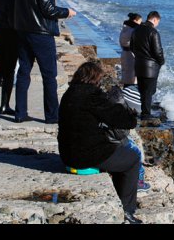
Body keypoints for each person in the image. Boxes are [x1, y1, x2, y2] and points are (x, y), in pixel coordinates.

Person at [58, 61, 142, 224]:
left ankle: (120, 199)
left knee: (118, 156)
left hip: (67, 154)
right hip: (84, 156)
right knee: (132, 159)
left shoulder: (69, 93)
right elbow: (125, 121)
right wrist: (130, 112)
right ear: (95, 79)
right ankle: (127, 211)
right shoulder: (92, 96)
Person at [13, 0, 76, 124]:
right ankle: (52, 116)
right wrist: (66, 12)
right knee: (49, 76)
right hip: (41, 33)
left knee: (23, 72)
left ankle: (20, 113)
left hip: (22, 29)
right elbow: (48, 9)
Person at [130, 11, 164, 121]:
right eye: (158, 21)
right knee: (149, 91)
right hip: (151, 67)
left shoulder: (136, 30)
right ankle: (146, 114)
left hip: (139, 64)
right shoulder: (153, 32)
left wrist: (140, 57)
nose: (157, 24)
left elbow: (132, 47)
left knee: (143, 90)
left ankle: (144, 112)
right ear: (155, 19)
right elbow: (158, 51)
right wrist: (161, 61)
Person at [119, 13, 142, 112]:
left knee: (127, 78)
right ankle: (130, 104)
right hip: (131, 56)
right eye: (140, 22)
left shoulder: (125, 28)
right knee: (132, 80)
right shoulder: (132, 30)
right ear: (136, 21)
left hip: (125, 54)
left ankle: (125, 101)